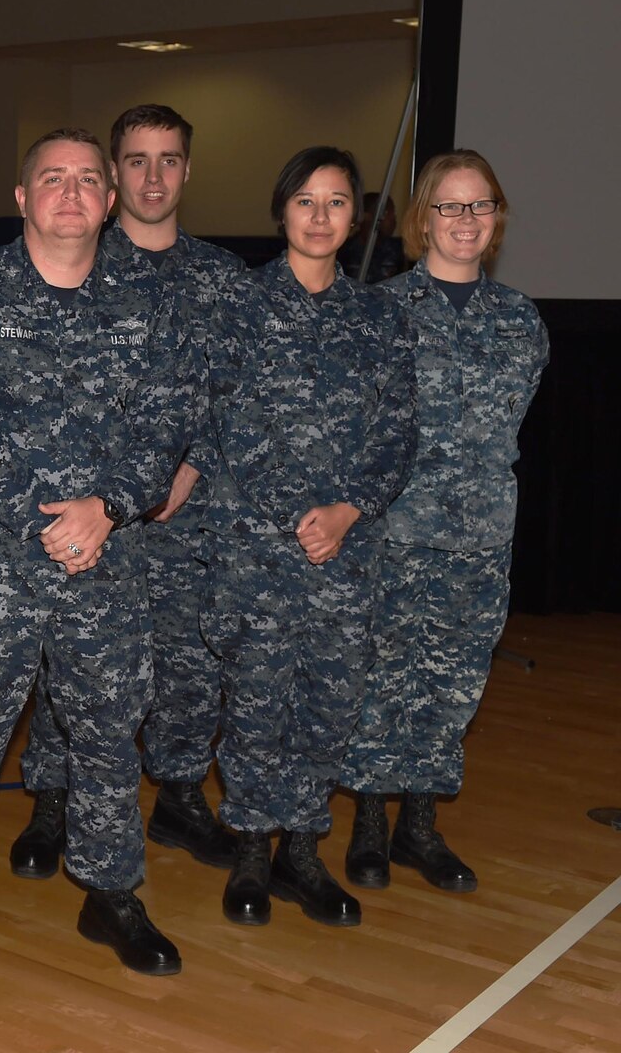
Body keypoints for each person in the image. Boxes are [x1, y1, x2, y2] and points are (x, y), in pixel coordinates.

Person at [0, 128, 197, 985]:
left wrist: (104, 511)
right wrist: (52, 522)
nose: (70, 194)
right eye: (51, 179)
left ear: (110, 200)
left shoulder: (155, 303)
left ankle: (109, 892)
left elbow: (167, 428)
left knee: (109, 739)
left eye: (86, 181)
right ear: (21, 195)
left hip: (108, 566)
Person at [9, 105, 248, 877]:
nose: (153, 176)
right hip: (87, 514)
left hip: (183, 514)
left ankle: (179, 795)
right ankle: (53, 800)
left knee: (187, 661)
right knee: (65, 665)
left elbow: (233, 392)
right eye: (137, 161)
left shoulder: (221, 279)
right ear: (114, 178)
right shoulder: (72, 257)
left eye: (169, 160)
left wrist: (189, 468)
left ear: (187, 170)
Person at [200, 146, 414, 930]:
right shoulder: (239, 308)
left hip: (347, 557)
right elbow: (229, 422)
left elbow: (398, 433)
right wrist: (304, 514)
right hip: (259, 550)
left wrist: (347, 512)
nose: (320, 217)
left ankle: (303, 851)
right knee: (257, 705)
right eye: (305, 202)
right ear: (281, 211)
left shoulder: (381, 318)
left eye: (335, 203)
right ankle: (252, 853)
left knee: (329, 704)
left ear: (355, 217)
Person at [340, 151, 546, 893]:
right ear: (423, 219)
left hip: (480, 539)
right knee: (381, 681)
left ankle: (418, 830)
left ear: (497, 220)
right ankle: (367, 826)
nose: (466, 221)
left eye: (480, 206)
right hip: (394, 535)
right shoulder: (379, 313)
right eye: (450, 207)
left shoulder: (521, 321)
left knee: (454, 685)